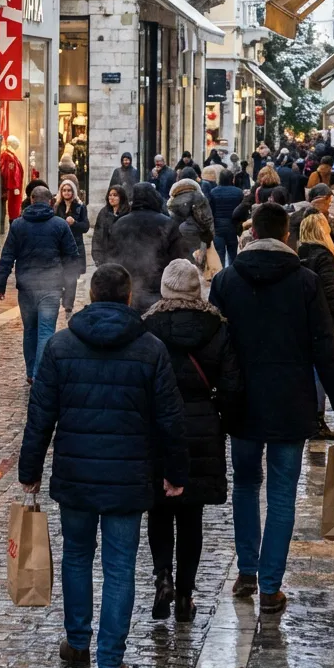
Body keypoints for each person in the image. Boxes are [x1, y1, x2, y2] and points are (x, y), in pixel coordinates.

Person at [18, 263, 188, 668]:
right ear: (129, 298)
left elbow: (40, 416)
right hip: (129, 479)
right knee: (119, 567)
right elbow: (170, 419)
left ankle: (77, 643)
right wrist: (174, 472)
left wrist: (30, 471)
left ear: (91, 297)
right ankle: (110, 663)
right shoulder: (150, 349)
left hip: (76, 474)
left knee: (76, 557)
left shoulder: (59, 347)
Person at [209, 204, 334, 614]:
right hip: (290, 401)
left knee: (246, 484)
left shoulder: (225, 281)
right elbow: (323, 346)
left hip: (243, 400)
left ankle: (247, 571)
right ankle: (271, 585)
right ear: (287, 236)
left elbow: (216, 344)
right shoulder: (305, 282)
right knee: (283, 494)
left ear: (253, 234)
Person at [143, 261, 241, 622]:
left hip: (158, 428)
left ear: (166, 290)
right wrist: (223, 424)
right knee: (191, 514)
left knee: (158, 508)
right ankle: (185, 594)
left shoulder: (148, 326)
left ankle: (162, 577)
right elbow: (231, 384)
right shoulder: (218, 327)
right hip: (202, 428)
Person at [0, 186, 79, 383]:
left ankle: (31, 372)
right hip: (51, 286)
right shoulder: (59, 225)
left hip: (27, 287)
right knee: (46, 331)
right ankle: (40, 374)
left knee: (30, 330)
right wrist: (69, 287)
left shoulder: (18, 225)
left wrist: (0, 284)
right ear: (51, 202)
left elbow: (7, 256)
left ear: (31, 200)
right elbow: (71, 257)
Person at [297, 211, 334, 437]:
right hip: (322, 319)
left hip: (302, 319)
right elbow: (329, 290)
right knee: (321, 368)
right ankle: (317, 418)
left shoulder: (300, 253)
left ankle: (310, 414)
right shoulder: (323, 255)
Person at [110, 183, 190, 314]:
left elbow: (112, 256)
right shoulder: (167, 223)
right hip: (158, 287)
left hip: (127, 287)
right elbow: (178, 257)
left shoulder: (119, 223)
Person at [167, 170, 214, 259]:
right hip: (199, 246)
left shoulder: (172, 200)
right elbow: (208, 222)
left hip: (178, 247)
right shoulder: (200, 197)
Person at [54, 177, 89, 296]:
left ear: (73, 191)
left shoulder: (80, 207)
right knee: (61, 275)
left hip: (75, 246)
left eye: (69, 190)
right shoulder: (57, 206)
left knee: (72, 277)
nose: (67, 192)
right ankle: (64, 296)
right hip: (60, 247)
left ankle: (69, 304)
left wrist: (74, 223)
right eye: (64, 190)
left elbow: (85, 227)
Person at [289, 185, 334, 253]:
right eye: (328, 200)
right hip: (318, 256)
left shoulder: (296, 215)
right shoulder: (301, 217)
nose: (330, 203)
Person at [209, 169, 244, 268]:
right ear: (231, 179)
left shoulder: (213, 192)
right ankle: (232, 276)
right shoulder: (238, 192)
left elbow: (211, 211)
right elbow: (242, 211)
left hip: (218, 228)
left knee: (220, 255)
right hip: (233, 227)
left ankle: (220, 277)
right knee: (233, 254)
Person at [92, 185, 129, 266]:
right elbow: (97, 235)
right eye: (110, 195)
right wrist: (97, 256)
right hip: (105, 256)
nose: (111, 197)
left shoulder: (127, 213)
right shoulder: (103, 212)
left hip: (122, 257)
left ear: (121, 197)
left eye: (115, 195)